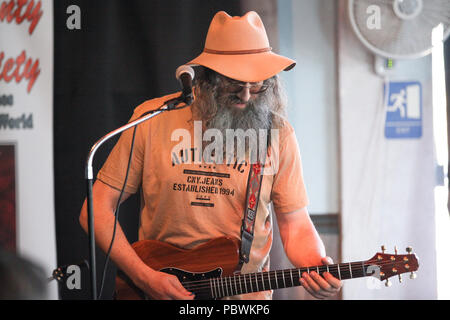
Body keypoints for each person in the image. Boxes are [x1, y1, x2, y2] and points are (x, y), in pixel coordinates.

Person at [79, 11, 342, 300]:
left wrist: (317, 264)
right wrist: (143, 277)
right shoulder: (152, 119)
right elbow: (95, 210)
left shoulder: (278, 135)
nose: (245, 96)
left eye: (257, 86)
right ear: (206, 79)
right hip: (158, 291)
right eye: (234, 86)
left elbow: (294, 224)